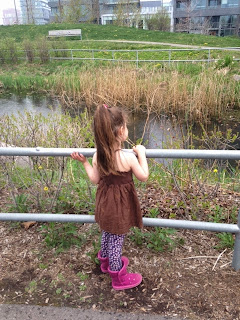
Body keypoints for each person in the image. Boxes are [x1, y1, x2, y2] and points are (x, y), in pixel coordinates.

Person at [71, 105, 149, 290]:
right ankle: (118, 278)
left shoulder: (98, 155)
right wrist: (142, 154)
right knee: (116, 239)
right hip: (119, 207)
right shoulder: (127, 158)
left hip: (105, 203)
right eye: (127, 127)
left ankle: (105, 262)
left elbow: (95, 179)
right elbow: (144, 176)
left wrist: (84, 163)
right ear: (121, 131)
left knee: (107, 232)